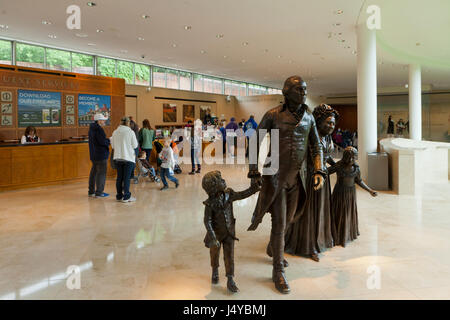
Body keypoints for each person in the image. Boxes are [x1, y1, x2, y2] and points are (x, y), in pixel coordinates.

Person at [247, 76, 325, 294]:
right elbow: (255, 140)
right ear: (287, 92)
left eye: (305, 90)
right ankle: (278, 271)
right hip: (276, 177)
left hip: (297, 179)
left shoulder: (309, 117)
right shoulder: (273, 115)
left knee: (290, 219)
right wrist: (254, 170)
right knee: (280, 224)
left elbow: (316, 145)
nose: (303, 93)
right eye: (299, 89)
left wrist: (319, 169)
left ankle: (273, 247)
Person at [284, 104, 339, 261]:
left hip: (323, 178)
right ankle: (308, 245)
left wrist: (335, 166)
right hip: (309, 179)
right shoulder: (309, 138)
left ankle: (321, 238)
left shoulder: (326, 137)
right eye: (328, 122)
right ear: (318, 121)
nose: (331, 126)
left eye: (333, 123)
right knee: (308, 211)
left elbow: (325, 155)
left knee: (320, 209)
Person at [202, 170, 261, 293]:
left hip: (229, 233)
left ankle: (230, 279)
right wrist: (212, 237)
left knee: (230, 256)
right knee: (214, 254)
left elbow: (243, 194)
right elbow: (207, 221)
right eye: (220, 180)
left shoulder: (229, 194)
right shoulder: (210, 204)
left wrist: (255, 188)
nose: (223, 180)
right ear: (213, 187)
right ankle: (215, 270)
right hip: (216, 236)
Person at [328, 147, 377, 247]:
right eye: (348, 158)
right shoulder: (339, 166)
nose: (351, 160)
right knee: (339, 213)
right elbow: (326, 172)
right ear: (344, 157)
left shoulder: (356, 168)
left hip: (350, 193)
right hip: (340, 193)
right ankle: (337, 236)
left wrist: (370, 190)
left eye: (353, 158)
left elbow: (359, 181)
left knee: (348, 213)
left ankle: (347, 235)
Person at [111, 117, 138, 203]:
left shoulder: (115, 132)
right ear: (128, 123)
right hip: (128, 157)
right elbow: (135, 145)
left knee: (119, 177)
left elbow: (113, 146)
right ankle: (126, 197)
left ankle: (119, 196)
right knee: (126, 178)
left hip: (118, 157)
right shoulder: (130, 132)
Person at [88, 114, 110, 198]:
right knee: (101, 173)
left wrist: (106, 140)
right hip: (101, 154)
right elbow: (102, 142)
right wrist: (109, 141)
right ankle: (99, 192)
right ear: (99, 121)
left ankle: (91, 191)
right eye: (103, 120)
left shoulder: (91, 129)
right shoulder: (99, 129)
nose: (104, 121)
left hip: (94, 154)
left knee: (93, 173)